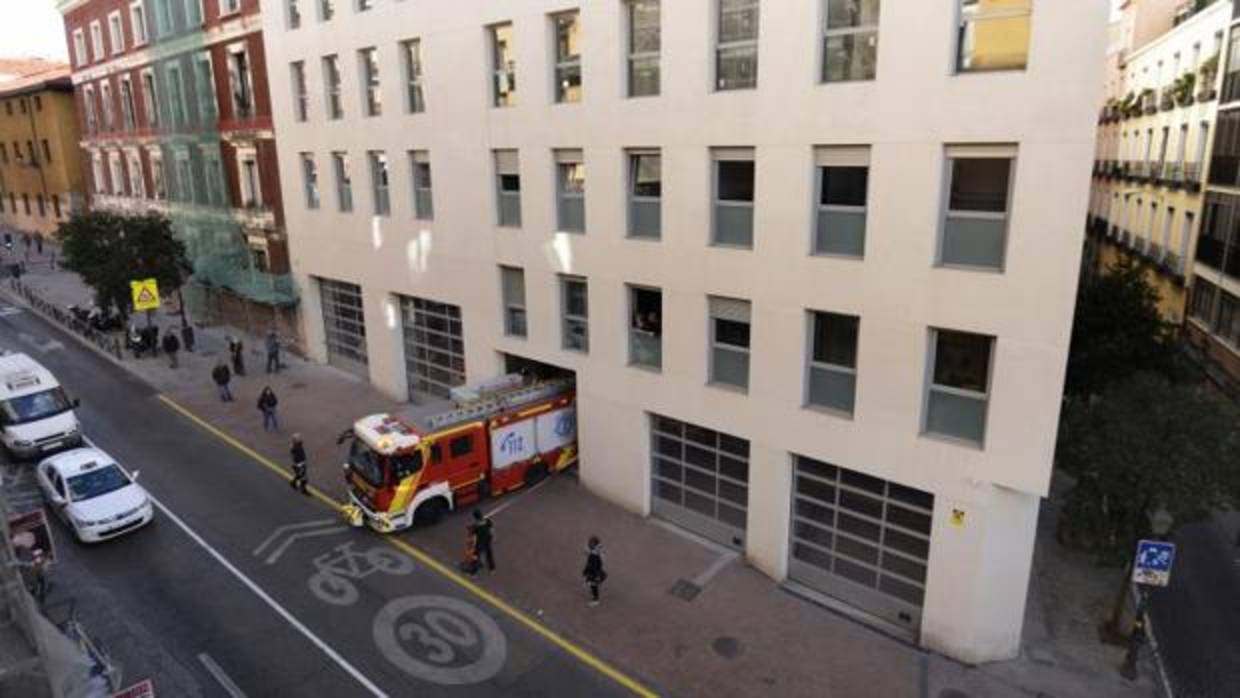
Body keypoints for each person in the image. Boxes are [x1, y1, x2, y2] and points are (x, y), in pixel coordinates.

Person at [582, 535, 606, 607]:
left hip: (595, 569)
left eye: (592, 543)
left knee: (593, 584)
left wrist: (597, 575)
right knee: (589, 578)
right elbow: (587, 554)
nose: (589, 544)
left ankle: (596, 600)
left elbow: (600, 562)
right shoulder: (590, 549)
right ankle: (592, 581)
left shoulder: (597, 553)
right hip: (592, 566)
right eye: (590, 543)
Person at [469, 508, 495, 573]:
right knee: (489, 554)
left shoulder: (475, 526)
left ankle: (474, 572)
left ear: (475, 517)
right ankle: (492, 568)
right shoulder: (487, 521)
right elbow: (491, 529)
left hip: (480, 542)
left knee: (475, 555)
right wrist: (492, 537)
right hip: (488, 539)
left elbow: (472, 535)